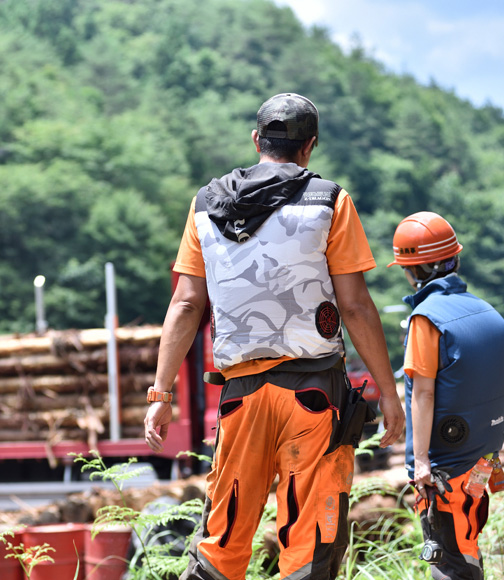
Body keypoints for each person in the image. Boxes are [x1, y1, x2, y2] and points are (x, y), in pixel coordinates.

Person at [143, 92, 405, 580]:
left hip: (241, 396)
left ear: (256, 139)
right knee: (309, 548)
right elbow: (354, 306)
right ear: (310, 147)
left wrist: (161, 394)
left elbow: (184, 304)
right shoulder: (330, 201)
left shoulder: (206, 206)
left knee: (221, 545)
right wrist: (388, 393)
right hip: (313, 395)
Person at [389, 211, 504, 580]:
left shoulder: (426, 319)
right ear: (455, 257)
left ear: (413, 271)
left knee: (450, 559)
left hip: (444, 462)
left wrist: (420, 461)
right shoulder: (487, 311)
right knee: (466, 537)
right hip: (482, 455)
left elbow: (422, 394)